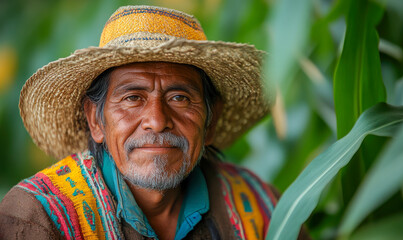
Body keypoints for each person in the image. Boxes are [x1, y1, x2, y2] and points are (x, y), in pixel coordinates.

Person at [0, 5, 309, 240]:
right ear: (96, 120)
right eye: (133, 97)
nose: (157, 121)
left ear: (210, 122)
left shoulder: (264, 211)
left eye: (180, 98)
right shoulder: (37, 218)